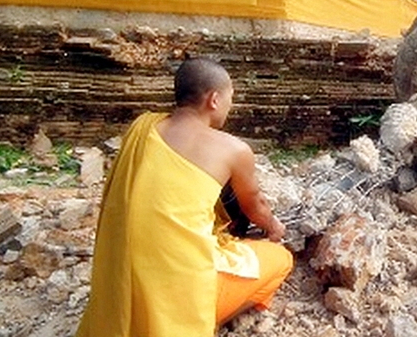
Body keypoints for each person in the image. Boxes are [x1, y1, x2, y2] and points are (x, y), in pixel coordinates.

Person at [77, 58, 293, 336]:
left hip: (119, 283)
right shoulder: (233, 149)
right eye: (230, 98)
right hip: (182, 294)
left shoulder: (141, 128)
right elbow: (257, 209)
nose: (231, 105)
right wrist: (275, 228)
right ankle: (206, 319)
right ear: (214, 99)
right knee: (280, 259)